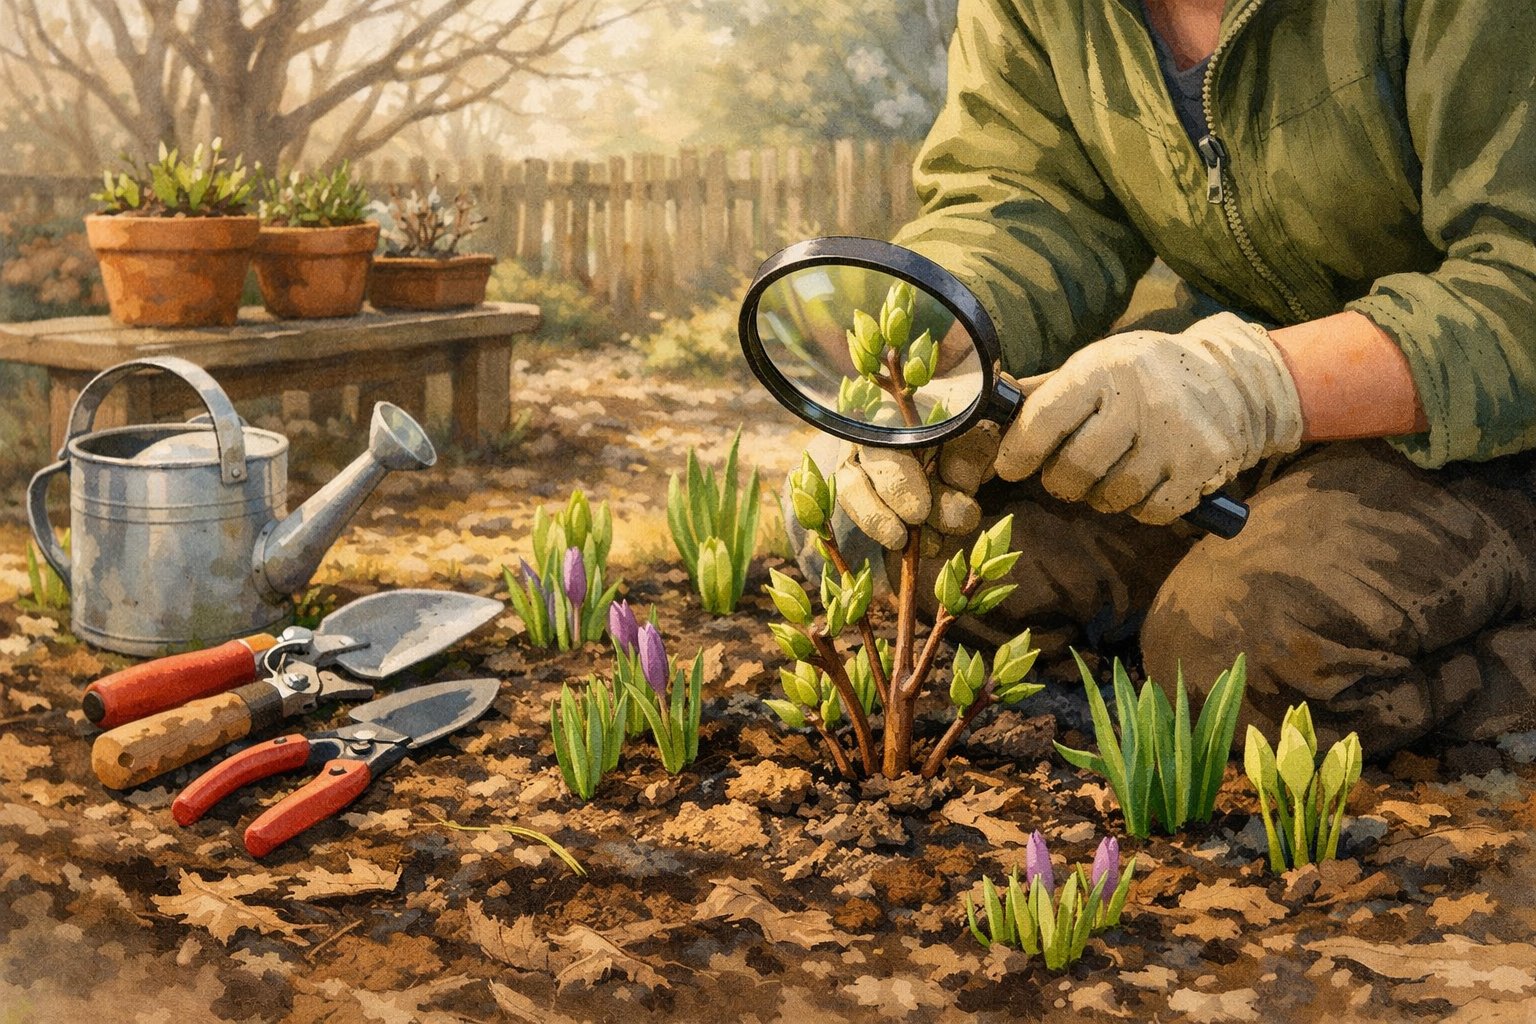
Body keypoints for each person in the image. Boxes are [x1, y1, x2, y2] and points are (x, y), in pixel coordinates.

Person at [821, 0, 1536, 756]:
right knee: (943, 559)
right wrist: (935, 351)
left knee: (1243, 650)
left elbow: (1520, 277)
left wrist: (1256, 385)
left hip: (1486, 422)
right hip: (1238, 396)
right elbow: (1023, 202)